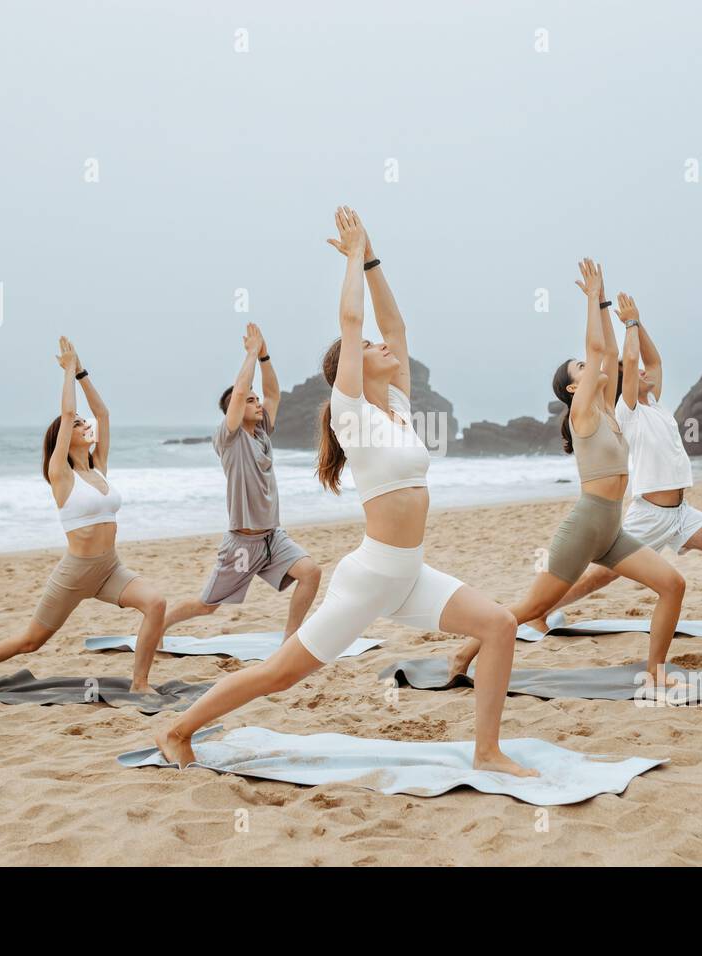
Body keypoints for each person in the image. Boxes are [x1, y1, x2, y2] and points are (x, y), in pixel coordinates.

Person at [154, 207, 535, 776]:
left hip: (409, 574)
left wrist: (375, 258)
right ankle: (177, 730)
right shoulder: (349, 412)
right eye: (371, 348)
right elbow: (354, 322)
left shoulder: (397, 408)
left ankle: (487, 752)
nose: (387, 347)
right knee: (281, 674)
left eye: (385, 348)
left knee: (499, 624)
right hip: (372, 577)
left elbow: (396, 327)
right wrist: (353, 258)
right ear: (351, 367)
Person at [448, 261, 686, 695]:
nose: (591, 366)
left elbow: (609, 356)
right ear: (573, 388)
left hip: (611, 529)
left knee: (673, 584)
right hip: (585, 526)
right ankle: (466, 650)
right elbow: (598, 351)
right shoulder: (582, 413)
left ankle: (655, 670)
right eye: (580, 366)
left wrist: (607, 303)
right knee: (533, 606)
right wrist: (592, 301)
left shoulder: (611, 410)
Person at [521, 292, 702, 635]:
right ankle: (543, 609)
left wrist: (639, 323)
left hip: (681, 512)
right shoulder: (628, 410)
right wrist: (627, 323)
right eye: (638, 373)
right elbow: (629, 362)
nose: (645, 372)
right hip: (649, 513)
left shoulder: (655, 404)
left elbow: (652, 361)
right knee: (600, 577)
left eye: (647, 374)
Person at [0, 337, 168, 695]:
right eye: (77, 425)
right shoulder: (61, 474)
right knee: (31, 641)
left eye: (84, 424)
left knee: (156, 603)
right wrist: (68, 371)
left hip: (110, 569)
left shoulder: (98, 467)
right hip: (74, 573)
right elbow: (69, 413)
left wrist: (84, 371)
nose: (86, 426)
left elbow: (103, 414)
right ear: (63, 438)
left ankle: (140, 682)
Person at [161, 323, 322, 641]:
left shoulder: (262, 433)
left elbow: (273, 393)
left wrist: (264, 356)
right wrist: (249, 353)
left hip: (273, 539)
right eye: (250, 401)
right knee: (207, 606)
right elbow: (237, 393)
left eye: (255, 399)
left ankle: (290, 638)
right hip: (243, 545)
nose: (257, 402)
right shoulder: (229, 437)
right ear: (233, 411)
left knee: (311, 572)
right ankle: (160, 625)